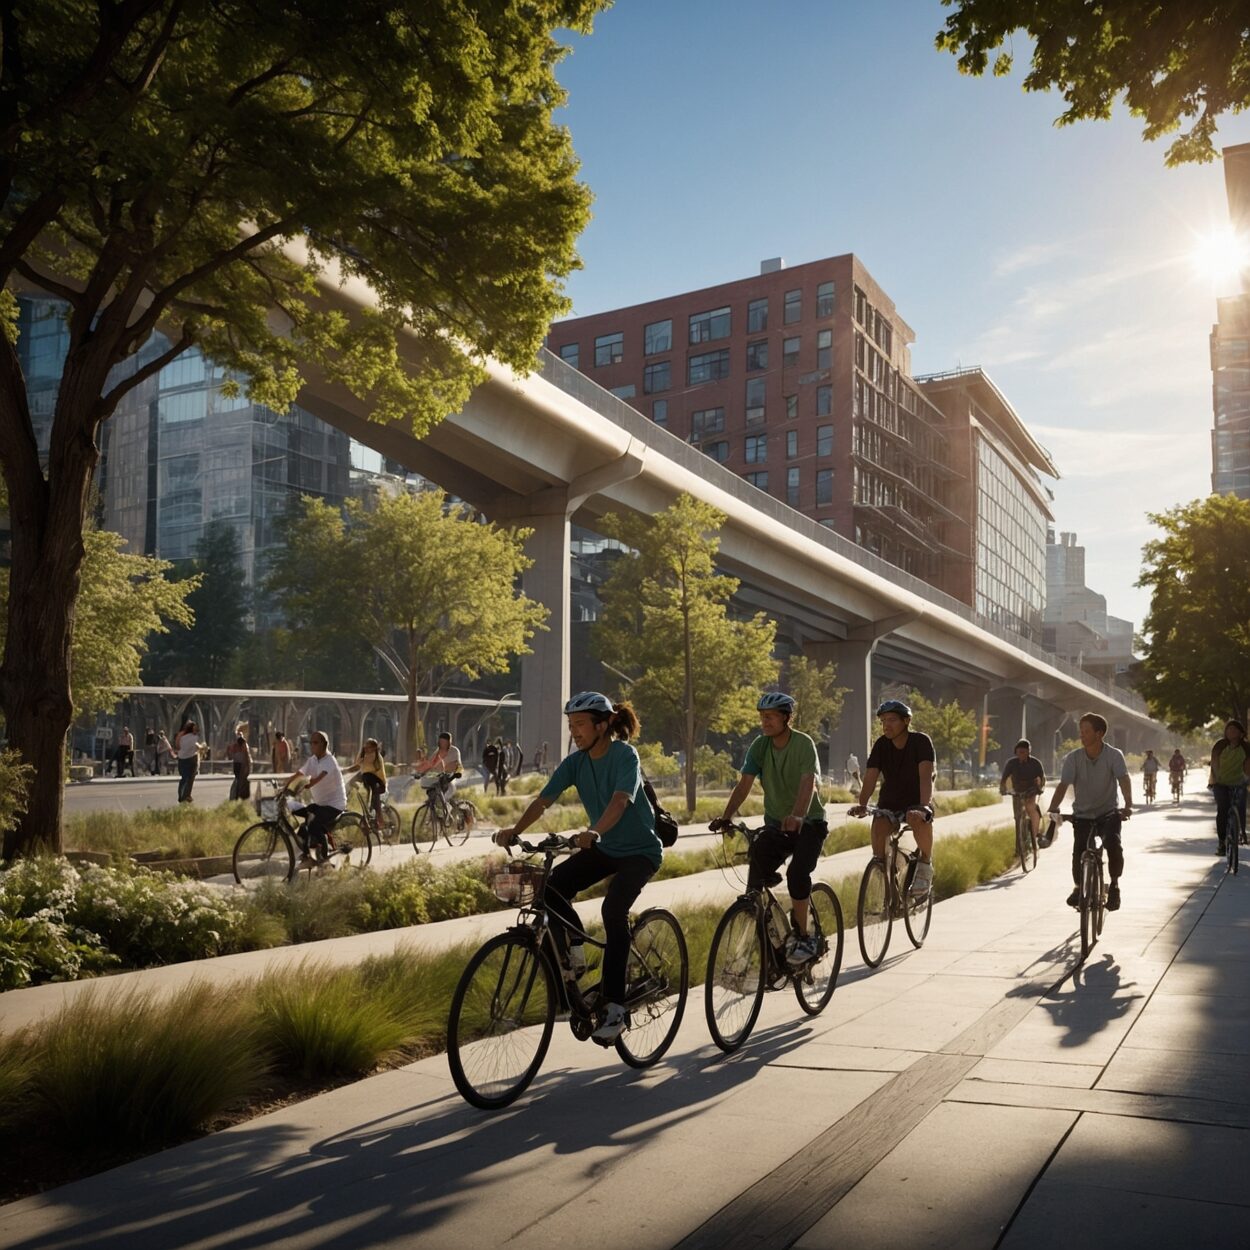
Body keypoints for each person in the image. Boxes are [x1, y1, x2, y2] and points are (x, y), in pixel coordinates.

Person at [494, 692, 662, 1044]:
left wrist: (594, 832)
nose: (574, 732)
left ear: (602, 725)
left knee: (613, 910)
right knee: (551, 888)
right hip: (605, 847)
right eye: (571, 725)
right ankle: (575, 953)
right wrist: (516, 830)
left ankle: (615, 1007)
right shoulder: (576, 762)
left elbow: (620, 800)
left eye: (580, 724)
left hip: (639, 852)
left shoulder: (624, 755)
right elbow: (543, 800)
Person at [711, 691, 829, 965]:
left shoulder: (803, 744)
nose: (765, 722)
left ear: (786, 718)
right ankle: (766, 952)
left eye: (771, 717)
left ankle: (805, 937)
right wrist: (726, 817)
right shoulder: (759, 746)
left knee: (797, 874)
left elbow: (808, 782)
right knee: (755, 879)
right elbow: (744, 784)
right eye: (763, 717)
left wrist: (797, 816)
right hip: (775, 823)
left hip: (809, 823)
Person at [848, 699, 936, 894]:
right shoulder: (881, 745)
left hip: (917, 801)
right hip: (889, 802)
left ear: (906, 721)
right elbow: (870, 777)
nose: (886, 725)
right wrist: (862, 804)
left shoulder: (920, 742)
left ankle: (925, 864)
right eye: (883, 721)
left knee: (916, 817)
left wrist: (923, 806)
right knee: (879, 834)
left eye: (892, 720)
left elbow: (925, 777)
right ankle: (890, 887)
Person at [1046, 712, 1132, 911]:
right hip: (1083, 814)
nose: (1082, 735)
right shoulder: (1073, 758)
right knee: (1079, 851)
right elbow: (1063, 785)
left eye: (1086, 731)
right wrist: (1053, 807)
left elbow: (1123, 779)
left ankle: (1114, 886)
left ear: (1099, 733)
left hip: (1108, 813)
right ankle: (1078, 887)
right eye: (1081, 731)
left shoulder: (1114, 755)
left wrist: (1128, 805)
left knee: (1113, 844)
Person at [283, 730, 346, 864]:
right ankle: (307, 853)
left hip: (335, 805)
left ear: (324, 744)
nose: (312, 745)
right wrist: (286, 785)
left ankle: (324, 860)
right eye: (311, 742)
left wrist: (306, 785)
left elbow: (319, 778)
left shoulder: (330, 761)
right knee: (303, 821)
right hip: (321, 804)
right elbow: (300, 773)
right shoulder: (313, 760)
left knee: (314, 825)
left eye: (315, 743)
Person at [1209, 720, 1250, 855]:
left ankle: (1242, 833)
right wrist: (1215, 780)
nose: (1231, 732)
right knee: (1223, 809)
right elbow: (1214, 764)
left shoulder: (1246, 748)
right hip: (1220, 783)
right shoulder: (1220, 746)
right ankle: (1222, 842)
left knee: (1241, 805)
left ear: (1241, 733)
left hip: (1239, 782)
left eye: (1234, 730)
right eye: (1229, 729)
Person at [1000, 738, 1045, 841]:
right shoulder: (1011, 763)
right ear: (1016, 752)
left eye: (1024, 752)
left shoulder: (1035, 763)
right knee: (1018, 817)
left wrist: (1040, 788)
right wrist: (1003, 789)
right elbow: (1004, 779)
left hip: (1031, 790)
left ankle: (1034, 835)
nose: (1021, 754)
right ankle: (1019, 844)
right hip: (1017, 791)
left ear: (1029, 752)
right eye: (1019, 752)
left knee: (1031, 809)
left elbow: (1042, 778)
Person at [344, 737, 387, 827]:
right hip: (368, 778)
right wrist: (346, 772)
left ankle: (380, 819)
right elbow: (358, 766)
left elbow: (359, 764)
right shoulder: (366, 756)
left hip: (378, 782)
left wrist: (346, 770)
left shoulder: (374, 756)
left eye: (368, 747)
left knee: (374, 800)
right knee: (353, 782)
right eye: (365, 747)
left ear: (374, 748)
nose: (366, 749)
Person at [414, 732, 463, 797]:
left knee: (449, 790)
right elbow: (431, 764)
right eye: (441, 742)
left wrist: (457, 773)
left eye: (445, 743)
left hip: (451, 777)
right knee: (431, 787)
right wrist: (421, 774)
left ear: (449, 742)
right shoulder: (438, 751)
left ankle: (444, 801)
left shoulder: (454, 751)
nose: (443, 745)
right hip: (440, 776)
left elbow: (457, 765)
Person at [173, 720, 204, 803]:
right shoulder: (195, 737)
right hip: (192, 759)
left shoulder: (181, 737)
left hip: (181, 759)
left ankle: (181, 796)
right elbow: (199, 746)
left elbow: (178, 746)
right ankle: (186, 795)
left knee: (184, 778)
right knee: (191, 778)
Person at [226, 726, 253, 802]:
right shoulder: (235, 746)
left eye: (240, 735)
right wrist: (229, 751)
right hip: (237, 765)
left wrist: (247, 767)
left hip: (243, 765)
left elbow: (247, 757)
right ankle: (236, 796)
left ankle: (239, 796)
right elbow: (230, 757)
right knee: (238, 781)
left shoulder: (244, 745)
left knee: (241, 781)